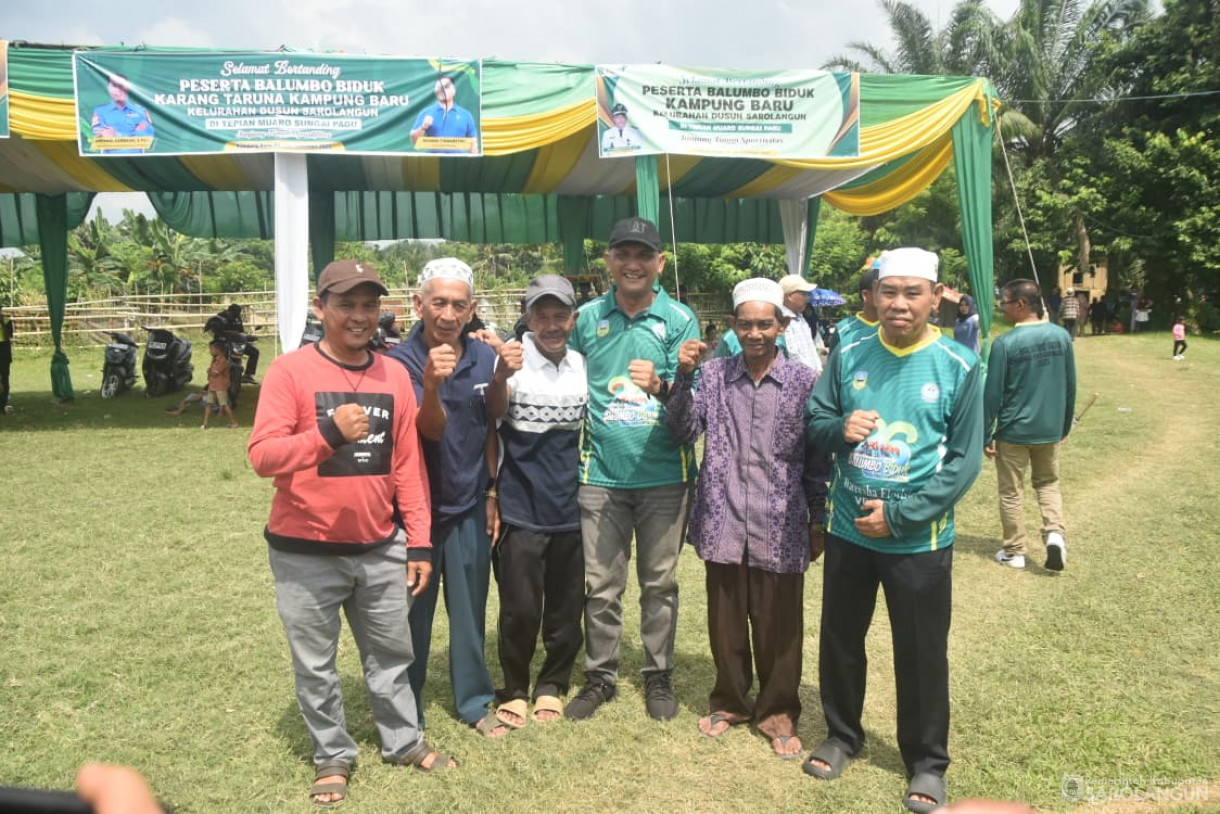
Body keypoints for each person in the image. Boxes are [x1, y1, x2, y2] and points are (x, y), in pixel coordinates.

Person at [247, 259, 453, 807]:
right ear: (321, 308)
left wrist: (420, 541)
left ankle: (403, 741)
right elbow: (262, 456)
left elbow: (408, 465)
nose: (360, 316)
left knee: (392, 654)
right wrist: (326, 435)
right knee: (316, 664)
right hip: (304, 551)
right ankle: (332, 755)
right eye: (346, 304)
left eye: (369, 305)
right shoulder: (290, 372)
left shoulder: (394, 376)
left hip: (380, 545)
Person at [803, 247, 983, 814]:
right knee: (840, 639)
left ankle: (927, 763)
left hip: (918, 540)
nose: (899, 304)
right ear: (873, 295)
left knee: (922, 651)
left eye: (912, 293)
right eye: (889, 292)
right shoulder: (849, 349)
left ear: (936, 298)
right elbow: (815, 420)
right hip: (849, 530)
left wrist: (902, 515)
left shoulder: (959, 363)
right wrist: (839, 428)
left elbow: (964, 461)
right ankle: (841, 735)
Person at [666, 277, 827, 760]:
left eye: (764, 324)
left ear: (781, 325)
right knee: (727, 621)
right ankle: (731, 701)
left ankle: (778, 712)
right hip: (723, 518)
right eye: (745, 324)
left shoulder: (803, 382)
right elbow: (681, 430)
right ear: (733, 327)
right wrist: (680, 378)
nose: (755, 333)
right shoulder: (713, 376)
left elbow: (817, 460)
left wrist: (818, 518)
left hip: (782, 522)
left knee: (780, 626)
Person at [565, 216, 700, 722]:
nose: (633, 264)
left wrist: (669, 379)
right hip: (599, 477)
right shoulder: (586, 318)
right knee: (601, 586)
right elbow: (564, 378)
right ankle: (600, 675)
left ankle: (658, 674)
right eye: (623, 254)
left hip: (665, 476)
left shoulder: (679, 319)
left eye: (643, 255)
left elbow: (691, 404)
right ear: (608, 262)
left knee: (659, 583)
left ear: (660, 263)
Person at [387, 257, 520, 735]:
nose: (447, 314)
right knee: (411, 618)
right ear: (418, 304)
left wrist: (502, 375)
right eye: (438, 302)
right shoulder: (398, 362)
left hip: (467, 504)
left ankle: (474, 702)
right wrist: (430, 385)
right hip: (412, 512)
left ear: (472, 309)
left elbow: (492, 419)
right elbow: (429, 431)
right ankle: (407, 709)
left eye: (458, 305)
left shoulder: (482, 354)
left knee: (469, 612)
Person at [485, 274, 588, 733]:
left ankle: (553, 683)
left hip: (571, 509)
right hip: (520, 508)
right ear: (527, 318)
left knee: (566, 607)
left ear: (573, 319)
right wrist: (502, 374)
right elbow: (490, 416)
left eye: (559, 315)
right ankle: (513, 688)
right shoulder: (508, 361)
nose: (551, 324)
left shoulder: (582, 365)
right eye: (541, 315)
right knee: (521, 607)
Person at [985, 280, 1075, 572]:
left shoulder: (1005, 343)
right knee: (1048, 483)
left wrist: (986, 432)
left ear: (1021, 305)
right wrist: (1063, 426)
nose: (1003, 308)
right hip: (1049, 428)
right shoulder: (1061, 337)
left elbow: (993, 393)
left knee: (1011, 491)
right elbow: (1070, 385)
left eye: (1005, 303)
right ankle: (1055, 534)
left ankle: (1015, 551)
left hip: (1013, 431)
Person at [410, 75, 478, 154]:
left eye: (446, 87)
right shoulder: (426, 113)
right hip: (433, 163)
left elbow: (473, 143)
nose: (442, 90)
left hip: (458, 163)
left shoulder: (466, 115)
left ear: (454, 90)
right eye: (439, 88)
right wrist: (423, 127)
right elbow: (415, 142)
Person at [90, 73, 154, 154]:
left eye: (121, 86)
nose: (118, 89)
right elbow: (100, 140)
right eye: (114, 86)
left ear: (128, 87)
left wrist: (115, 136)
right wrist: (133, 136)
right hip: (110, 160)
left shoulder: (140, 111)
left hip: (137, 159)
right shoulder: (100, 111)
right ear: (109, 88)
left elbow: (147, 140)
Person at [828, 262, 880, 352]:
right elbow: (835, 364)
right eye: (882, 291)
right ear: (865, 295)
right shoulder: (843, 329)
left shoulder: (895, 327)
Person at [778, 274, 824, 375]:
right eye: (803, 294)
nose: (807, 298)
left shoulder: (800, 318)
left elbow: (810, 347)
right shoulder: (780, 320)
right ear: (789, 296)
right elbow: (792, 356)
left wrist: (818, 369)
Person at [212, 303, 260, 383]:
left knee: (255, 352)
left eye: (237, 315)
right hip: (223, 343)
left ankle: (248, 375)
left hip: (237, 343)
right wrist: (232, 334)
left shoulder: (237, 318)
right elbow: (217, 332)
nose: (235, 316)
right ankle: (218, 374)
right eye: (233, 314)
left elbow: (240, 332)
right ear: (228, 311)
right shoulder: (219, 318)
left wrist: (248, 337)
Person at [201, 339, 238, 429]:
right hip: (212, 385)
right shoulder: (214, 360)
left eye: (211, 349)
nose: (210, 351)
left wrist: (209, 371)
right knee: (208, 403)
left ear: (218, 350)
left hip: (220, 386)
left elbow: (214, 373)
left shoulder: (222, 360)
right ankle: (205, 423)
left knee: (224, 404)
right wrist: (210, 372)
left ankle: (234, 422)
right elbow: (210, 371)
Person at [0, 306, 12, 414]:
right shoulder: (7, 320)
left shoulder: (7, 321)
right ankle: (2, 404)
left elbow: (9, 335)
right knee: (4, 379)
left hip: (4, 352)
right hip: (4, 352)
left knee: (4, 379)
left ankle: (3, 404)